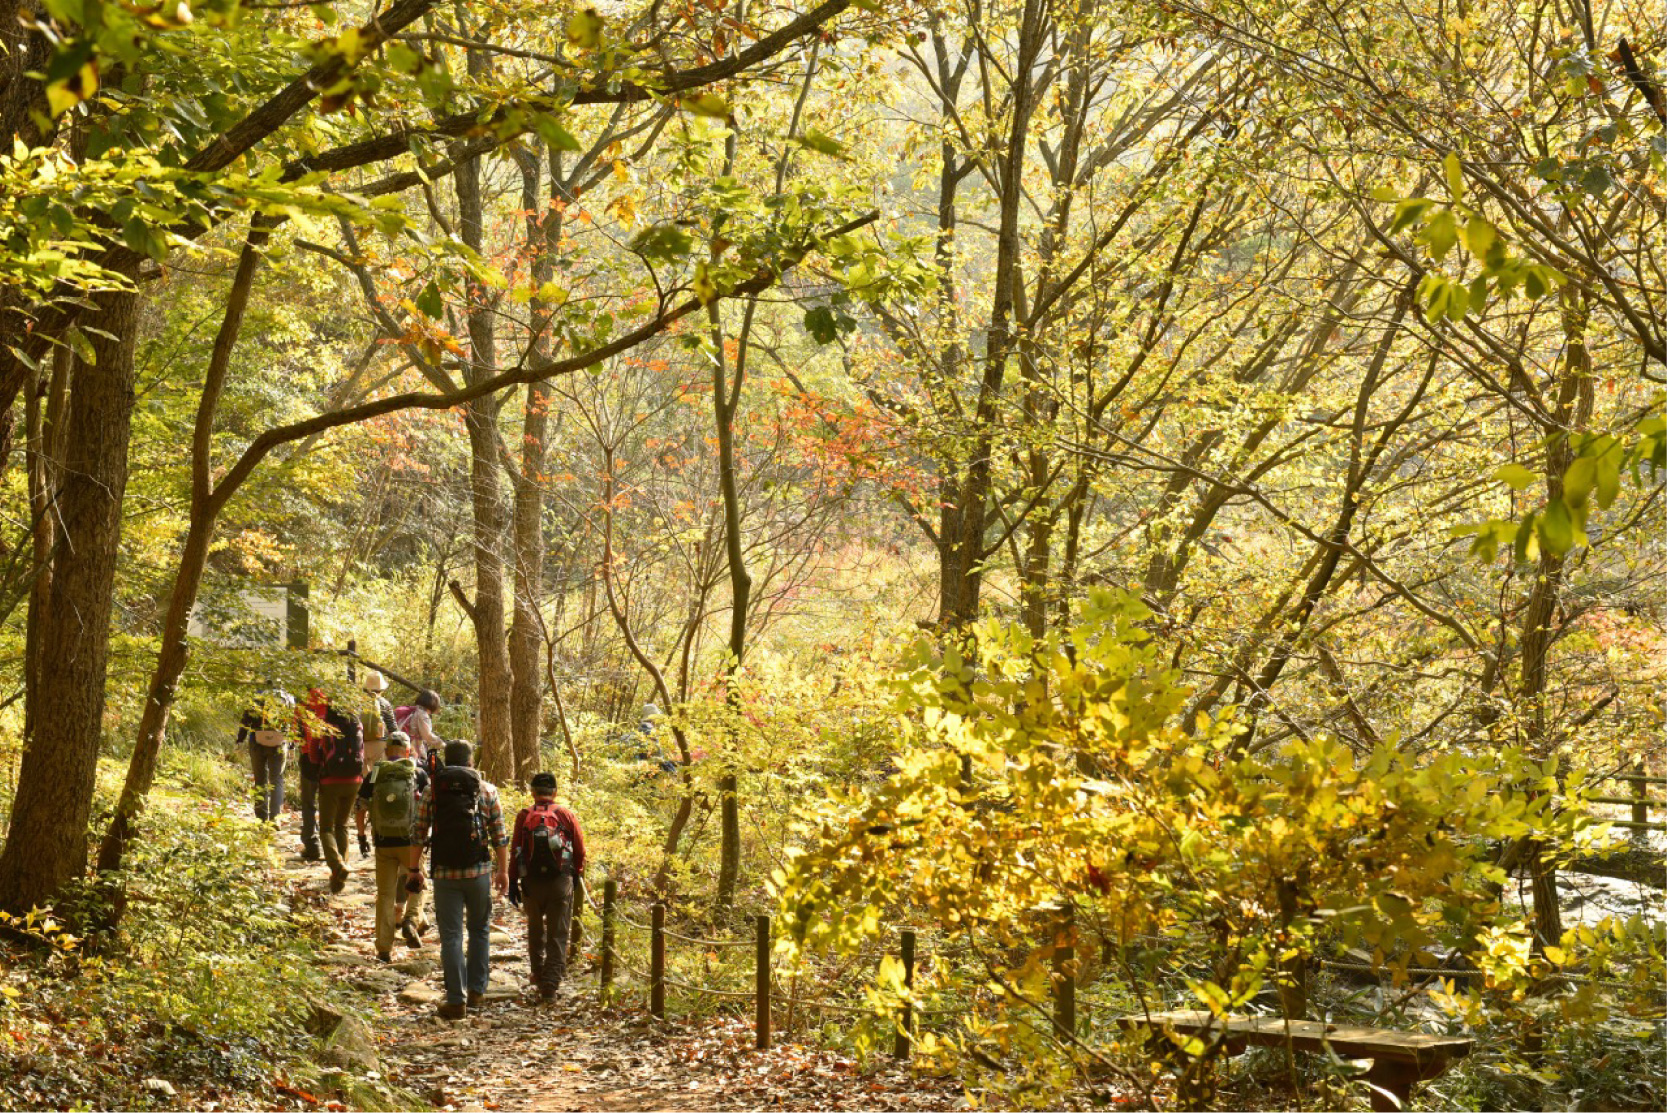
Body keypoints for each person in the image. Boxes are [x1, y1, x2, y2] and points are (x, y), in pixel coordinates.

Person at [408, 739, 508, 1020]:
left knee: (451, 936)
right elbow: (499, 835)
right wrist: (503, 870)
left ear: (446, 760)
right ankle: (476, 991)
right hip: (479, 872)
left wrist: (413, 869)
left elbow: (418, 832)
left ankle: (456, 1000)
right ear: (470, 761)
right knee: (480, 930)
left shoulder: (433, 789)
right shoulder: (487, 790)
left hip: (444, 872)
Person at [507, 771, 587, 1001]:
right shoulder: (565, 814)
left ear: (532, 792)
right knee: (558, 932)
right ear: (555, 792)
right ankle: (550, 986)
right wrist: (576, 875)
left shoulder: (524, 815)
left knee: (535, 929)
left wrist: (513, 881)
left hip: (531, 882)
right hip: (560, 881)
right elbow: (580, 850)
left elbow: (516, 850)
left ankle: (538, 974)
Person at [355, 732, 429, 961]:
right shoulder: (417, 772)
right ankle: (411, 920)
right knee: (418, 883)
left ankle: (384, 948)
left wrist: (361, 836)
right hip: (411, 842)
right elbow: (429, 806)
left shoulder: (376, 772)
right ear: (408, 751)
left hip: (384, 842)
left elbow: (360, 806)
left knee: (385, 895)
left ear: (387, 751)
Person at [301, 687, 365, 892]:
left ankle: (338, 866)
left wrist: (319, 765)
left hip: (330, 780)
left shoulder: (324, 724)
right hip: (354, 780)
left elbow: (312, 753)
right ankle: (338, 878)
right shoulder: (357, 723)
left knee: (327, 828)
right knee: (342, 825)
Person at [236, 688, 294, 823]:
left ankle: (261, 818)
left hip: (257, 742)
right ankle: (275, 819)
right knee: (277, 780)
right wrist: (291, 745)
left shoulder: (257, 696)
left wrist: (240, 739)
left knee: (260, 780)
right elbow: (293, 723)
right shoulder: (288, 697)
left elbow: (246, 720)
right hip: (279, 743)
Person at [358, 671, 398, 857]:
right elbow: (393, 729)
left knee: (363, 782)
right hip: (378, 746)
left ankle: (360, 816)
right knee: (376, 780)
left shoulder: (357, 702)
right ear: (382, 688)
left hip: (360, 746)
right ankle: (376, 812)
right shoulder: (384, 704)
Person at [399, 688, 444, 767]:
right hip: (414, 751)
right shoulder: (422, 715)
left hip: (401, 747)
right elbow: (427, 736)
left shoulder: (413, 710)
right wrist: (442, 744)